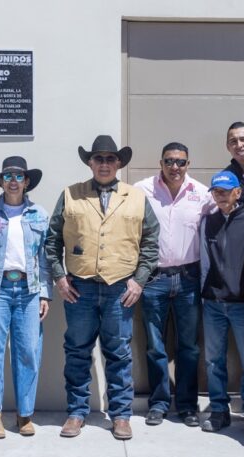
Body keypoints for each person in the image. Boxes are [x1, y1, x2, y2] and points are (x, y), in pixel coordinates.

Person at [44, 135, 160, 441]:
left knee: (119, 353)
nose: (105, 164)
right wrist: (59, 276)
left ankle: (121, 415)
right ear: (90, 163)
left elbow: (150, 242)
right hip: (79, 288)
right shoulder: (71, 194)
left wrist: (139, 280)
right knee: (77, 351)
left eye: (110, 159)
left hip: (119, 288)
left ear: (119, 163)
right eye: (99, 159)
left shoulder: (135, 197)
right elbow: (52, 240)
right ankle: (77, 412)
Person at [0, 156, 51, 438]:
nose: (13, 181)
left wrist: (45, 293)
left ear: (27, 182)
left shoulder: (38, 214)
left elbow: (45, 257)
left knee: (28, 352)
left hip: (28, 291)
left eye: (18, 176)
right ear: (1, 181)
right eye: (8, 176)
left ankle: (25, 415)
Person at [133, 143, 211, 427]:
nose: (174, 167)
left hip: (189, 278)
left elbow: (226, 216)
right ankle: (158, 403)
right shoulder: (141, 190)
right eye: (169, 161)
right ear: (161, 163)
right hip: (153, 279)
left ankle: (188, 405)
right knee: (155, 346)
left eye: (180, 162)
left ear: (188, 164)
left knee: (188, 347)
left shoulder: (202, 194)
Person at [198, 171, 244, 437]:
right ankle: (219, 410)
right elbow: (204, 261)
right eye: (216, 192)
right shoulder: (208, 222)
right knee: (214, 361)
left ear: (238, 192)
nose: (221, 196)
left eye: (226, 192)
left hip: (242, 305)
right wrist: (204, 294)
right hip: (213, 303)